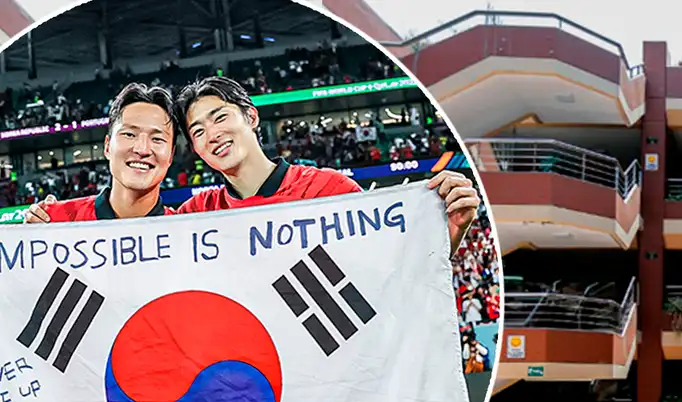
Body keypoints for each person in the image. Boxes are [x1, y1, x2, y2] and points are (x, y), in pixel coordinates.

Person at [171, 76, 479, 256]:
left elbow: (389, 268)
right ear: (195, 149)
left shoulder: (330, 190)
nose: (212, 135)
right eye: (198, 131)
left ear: (251, 117)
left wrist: (447, 237)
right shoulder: (195, 216)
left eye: (220, 117)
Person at [23, 83, 177, 223]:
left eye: (157, 139)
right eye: (129, 134)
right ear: (107, 146)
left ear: (171, 155)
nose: (142, 149)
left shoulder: (185, 232)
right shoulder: (55, 221)